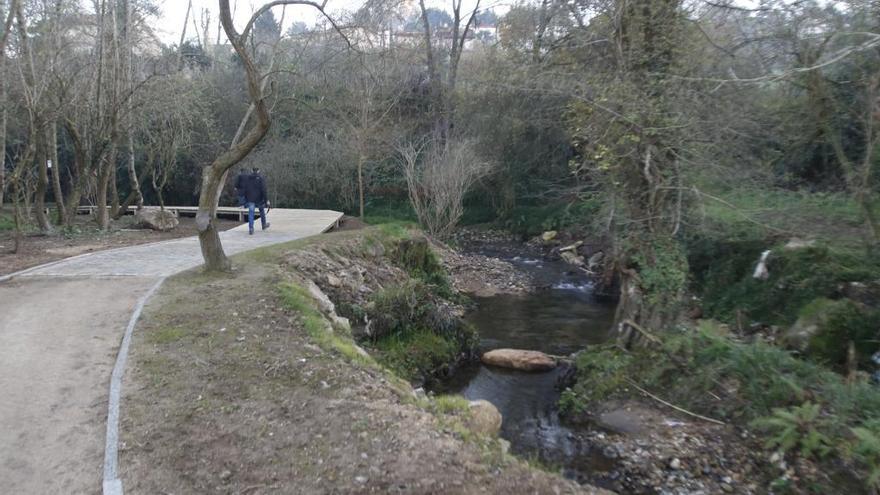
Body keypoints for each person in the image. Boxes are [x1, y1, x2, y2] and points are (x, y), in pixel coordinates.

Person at [240, 167, 271, 235]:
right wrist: (266, 200)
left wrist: (244, 201)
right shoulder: (261, 178)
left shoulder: (247, 179)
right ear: (259, 171)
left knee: (251, 213)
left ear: (251, 170)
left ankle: (251, 228)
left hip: (250, 199)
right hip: (259, 199)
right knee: (262, 211)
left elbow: (244, 189)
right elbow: (264, 190)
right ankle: (263, 225)